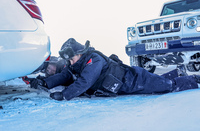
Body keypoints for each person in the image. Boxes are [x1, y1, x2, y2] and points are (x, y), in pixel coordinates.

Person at [30, 38, 200, 101]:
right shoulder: (76, 64)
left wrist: (65, 95)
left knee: (167, 86)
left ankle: (194, 80)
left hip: (133, 80)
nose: (70, 62)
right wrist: (45, 82)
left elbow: (85, 81)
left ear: (80, 53)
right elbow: (64, 75)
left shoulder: (93, 60)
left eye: (71, 58)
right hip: (122, 86)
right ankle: (179, 72)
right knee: (159, 82)